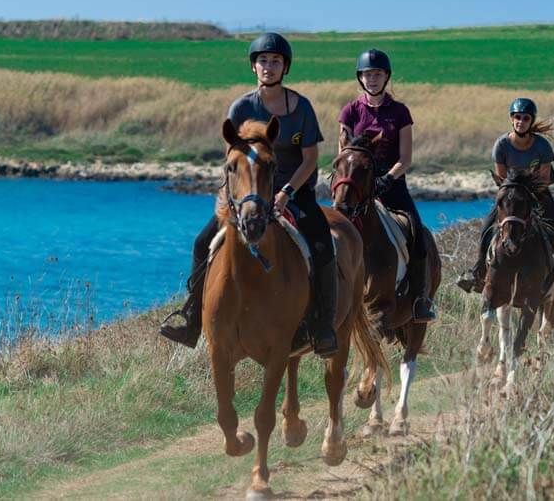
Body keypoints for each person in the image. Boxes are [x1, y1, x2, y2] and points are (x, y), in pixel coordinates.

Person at [159, 32, 338, 356]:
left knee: (323, 245)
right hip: (247, 195)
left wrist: (285, 192)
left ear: (285, 67)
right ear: (254, 67)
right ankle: (191, 320)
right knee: (202, 243)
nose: (269, 67)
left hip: (293, 192)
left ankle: (322, 325)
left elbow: (310, 159)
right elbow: (232, 160)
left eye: (275, 61)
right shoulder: (241, 107)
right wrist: (231, 200)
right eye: (263, 61)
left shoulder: (302, 108)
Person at [456, 97, 554, 301]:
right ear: (512, 120)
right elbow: (501, 180)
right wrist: (513, 196)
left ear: (531, 121)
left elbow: (544, 179)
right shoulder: (501, 145)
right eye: (517, 117)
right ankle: (477, 274)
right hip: (511, 195)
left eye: (525, 118)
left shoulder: (542, 146)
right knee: (486, 228)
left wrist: (528, 193)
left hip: (538, 193)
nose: (521, 121)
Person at [337, 48, 436, 322]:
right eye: (367, 74)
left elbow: (405, 158)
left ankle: (419, 300)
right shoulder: (350, 112)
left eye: (377, 74)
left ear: (386, 77)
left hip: (390, 186)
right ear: (360, 78)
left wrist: (387, 179)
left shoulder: (400, 112)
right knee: (330, 232)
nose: (372, 79)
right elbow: (342, 153)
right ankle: (327, 299)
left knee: (417, 233)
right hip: (357, 188)